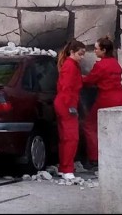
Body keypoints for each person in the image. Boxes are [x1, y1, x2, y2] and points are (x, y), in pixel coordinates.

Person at [82, 36, 122, 171]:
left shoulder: (100, 65)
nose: (94, 51)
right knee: (115, 128)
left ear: (103, 50)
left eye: (96, 49)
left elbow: (90, 81)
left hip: (106, 98)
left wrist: (76, 77)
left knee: (90, 125)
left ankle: (95, 158)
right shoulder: (115, 63)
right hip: (120, 97)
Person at [54, 39, 86, 180]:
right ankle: (67, 169)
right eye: (80, 54)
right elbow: (67, 88)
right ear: (72, 52)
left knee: (65, 138)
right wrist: (70, 106)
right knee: (72, 138)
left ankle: (64, 167)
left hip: (64, 103)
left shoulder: (70, 65)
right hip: (67, 104)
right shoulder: (71, 66)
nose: (82, 57)